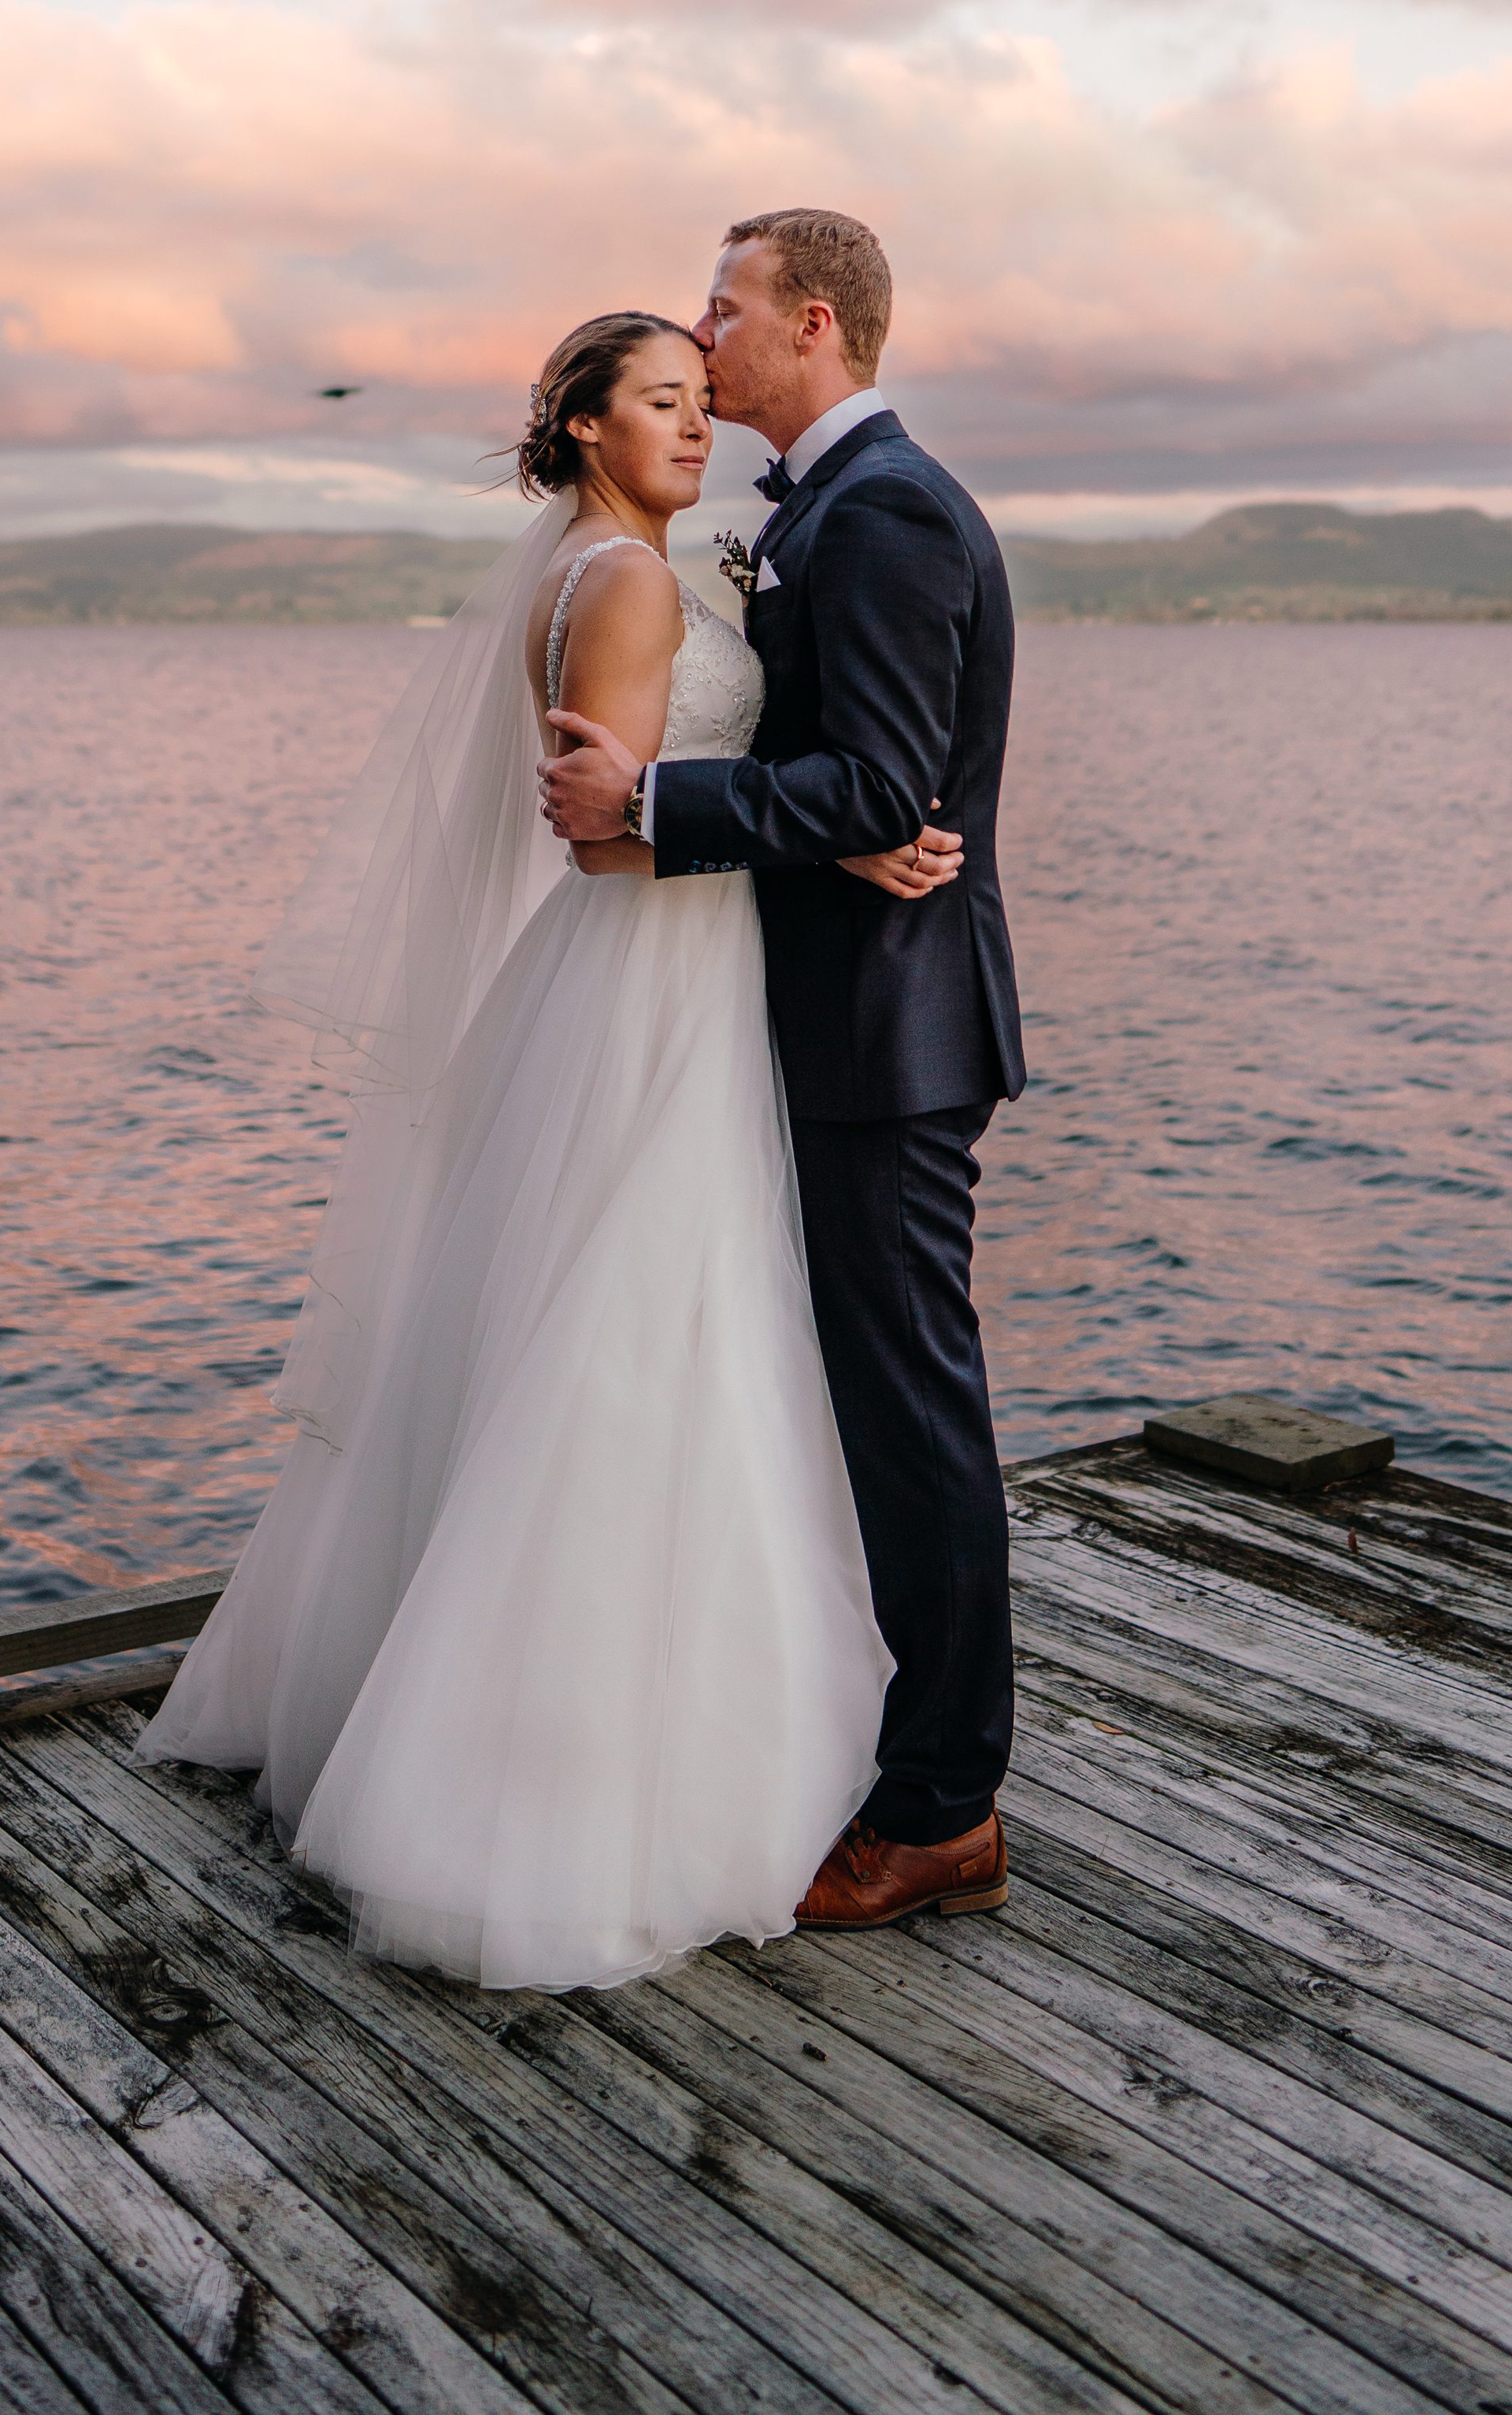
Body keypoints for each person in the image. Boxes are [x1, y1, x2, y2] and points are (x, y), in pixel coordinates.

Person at [137, 309, 962, 1990]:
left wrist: (814, 836)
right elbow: (610, 848)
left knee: (589, 1335)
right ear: (583, 428)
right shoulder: (635, 582)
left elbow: (660, 796)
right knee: (643, 1343)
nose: (692, 421)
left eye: (695, 397)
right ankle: (570, 1772)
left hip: (646, 986)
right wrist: (832, 853)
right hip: (656, 990)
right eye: (657, 400)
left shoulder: (599, 568)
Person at [542, 210, 1025, 1932]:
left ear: (809, 322)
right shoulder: (814, 509)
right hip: (829, 1010)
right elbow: (867, 785)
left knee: (912, 1412)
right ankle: (889, 1748)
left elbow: (890, 785)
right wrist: (839, 825)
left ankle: (944, 1806)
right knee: (868, 1404)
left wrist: (656, 802)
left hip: (886, 1040)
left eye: (724, 308)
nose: (703, 331)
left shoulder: (883, 512)